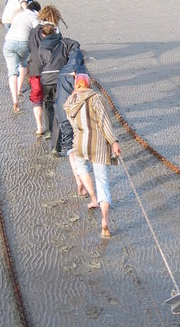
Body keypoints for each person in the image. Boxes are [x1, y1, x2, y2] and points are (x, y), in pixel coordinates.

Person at [65, 74, 121, 238]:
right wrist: (114, 142)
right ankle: (104, 221)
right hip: (98, 145)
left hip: (79, 144)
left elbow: (73, 125)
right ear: (89, 84)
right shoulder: (97, 98)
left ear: (76, 85)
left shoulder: (70, 102)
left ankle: (93, 198)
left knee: (82, 168)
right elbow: (105, 124)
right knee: (102, 181)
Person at [38, 20, 80, 143]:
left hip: (46, 80)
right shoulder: (63, 42)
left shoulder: (41, 46)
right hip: (59, 78)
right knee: (59, 108)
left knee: (48, 105)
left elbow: (41, 62)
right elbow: (76, 44)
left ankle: (50, 130)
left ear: (43, 35)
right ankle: (57, 141)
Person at [54, 49, 89, 196]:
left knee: (70, 146)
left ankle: (78, 179)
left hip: (62, 110)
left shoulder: (63, 71)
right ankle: (84, 177)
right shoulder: (81, 72)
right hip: (77, 113)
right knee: (81, 143)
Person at [28, 4, 62, 136]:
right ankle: (53, 129)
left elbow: (29, 47)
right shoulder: (56, 31)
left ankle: (39, 127)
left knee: (37, 99)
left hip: (35, 69)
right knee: (52, 101)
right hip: (52, 69)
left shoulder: (33, 31)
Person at [2, 0, 40, 112]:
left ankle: (15, 100)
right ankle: (19, 90)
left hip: (9, 43)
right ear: (37, 10)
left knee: (12, 72)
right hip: (23, 43)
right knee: (22, 64)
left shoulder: (19, 15)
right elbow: (37, 30)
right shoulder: (34, 16)